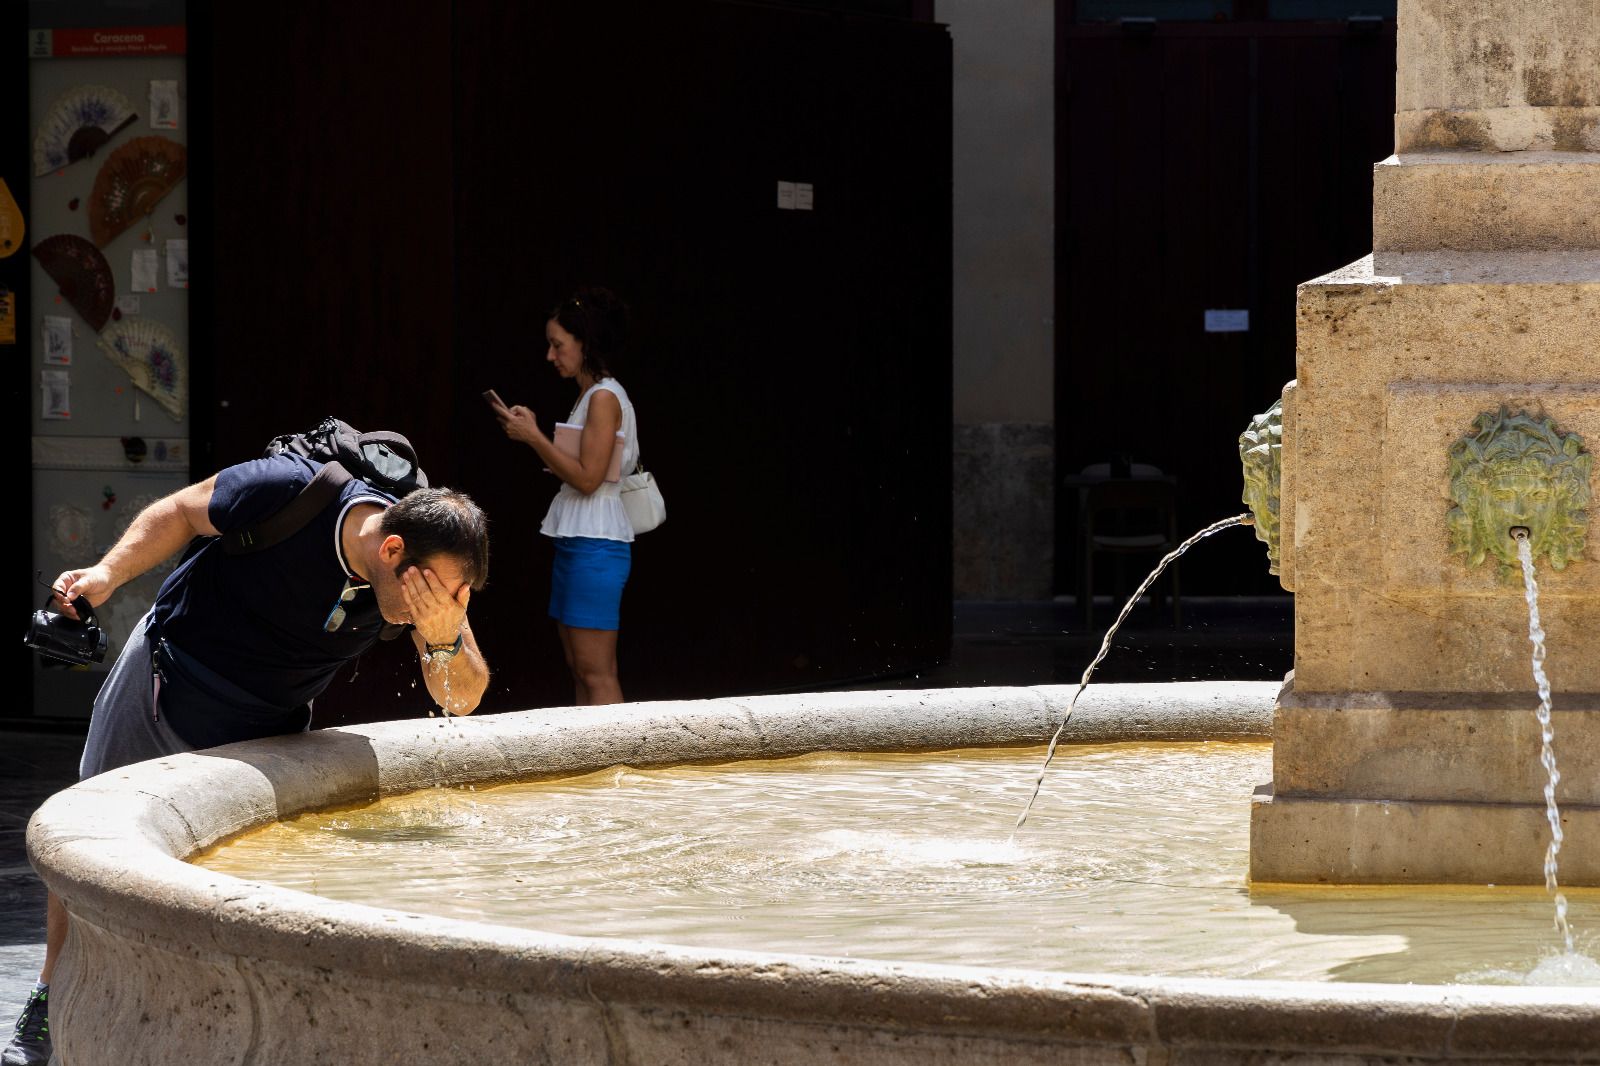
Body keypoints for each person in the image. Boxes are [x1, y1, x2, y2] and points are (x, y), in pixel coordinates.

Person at [2, 452, 491, 1066]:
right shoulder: (291, 489)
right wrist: (105, 574)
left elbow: (460, 697)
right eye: (435, 593)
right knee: (88, 852)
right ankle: (49, 997)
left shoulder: (425, 588)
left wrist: (446, 634)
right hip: (166, 684)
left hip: (269, 730)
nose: (436, 606)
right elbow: (181, 512)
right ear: (391, 551)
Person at [493, 285, 637, 705]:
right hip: (582, 542)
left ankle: (618, 765)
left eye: (558, 345)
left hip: (596, 545)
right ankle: (595, 764)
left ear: (585, 343)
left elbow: (589, 478)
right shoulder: (591, 395)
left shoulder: (605, 397)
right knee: (581, 669)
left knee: (596, 673)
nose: (550, 356)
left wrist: (534, 437)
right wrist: (537, 435)